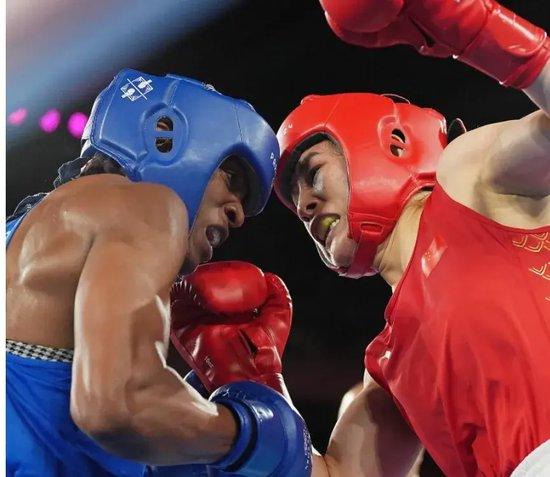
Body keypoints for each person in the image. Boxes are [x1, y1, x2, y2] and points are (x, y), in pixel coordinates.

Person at [270, 0, 549, 475]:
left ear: (394, 143)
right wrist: (253, 388)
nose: (307, 207)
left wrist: (472, 27)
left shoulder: (467, 181)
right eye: (297, 207)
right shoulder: (387, 366)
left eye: (313, 175)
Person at [6, 69, 312, 476]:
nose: (238, 214)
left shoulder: (28, 233)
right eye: (232, 179)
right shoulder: (146, 205)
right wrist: (248, 434)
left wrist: (189, 424)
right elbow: (119, 404)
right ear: (164, 136)